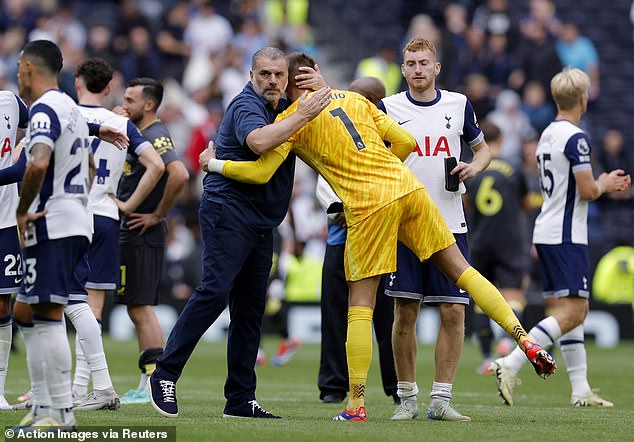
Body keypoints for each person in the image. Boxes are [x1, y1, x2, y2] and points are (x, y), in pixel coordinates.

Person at [201, 51, 556, 422]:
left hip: (368, 205)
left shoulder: (292, 121)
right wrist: (382, 169)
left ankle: (355, 406)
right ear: (315, 73)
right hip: (408, 188)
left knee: (361, 303)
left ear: (289, 84)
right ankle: (524, 339)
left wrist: (213, 164)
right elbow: (404, 142)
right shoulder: (354, 99)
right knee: (462, 271)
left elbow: (259, 174)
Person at [147, 47, 331, 419]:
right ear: (251, 77)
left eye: (279, 75)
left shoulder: (286, 108)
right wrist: (304, 112)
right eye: (265, 74)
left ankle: (241, 398)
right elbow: (259, 142)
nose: (273, 81)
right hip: (227, 211)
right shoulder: (246, 106)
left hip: (262, 221)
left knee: (250, 309)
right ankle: (164, 374)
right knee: (215, 291)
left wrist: (316, 94)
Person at [490, 67, 631, 407]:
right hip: (567, 234)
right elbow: (586, 189)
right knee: (575, 312)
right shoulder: (576, 138)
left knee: (570, 311)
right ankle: (510, 362)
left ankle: (580, 390)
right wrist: (606, 184)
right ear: (583, 99)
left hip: (547, 229)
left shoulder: (546, 135)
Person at [377, 37, 491, 422]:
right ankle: (407, 399)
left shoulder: (458, 104)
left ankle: (441, 400)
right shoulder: (388, 108)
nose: (418, 69)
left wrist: (474, 167)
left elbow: (483, 149)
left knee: (453, 312)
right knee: (405, 311)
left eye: (425, 62)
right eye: (411, 63)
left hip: (449, 223)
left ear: (437, 68)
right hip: (405, 226)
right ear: (403, 68)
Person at [71, 58, 165, 410]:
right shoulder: (120, 121)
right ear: (109, 88)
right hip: (107, 216)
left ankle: (69, 388)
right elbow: (156, 165)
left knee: (58, 301)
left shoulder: (62, 112)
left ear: (77, 82)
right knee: (91, 306)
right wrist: (125, 205)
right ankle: (84, 389)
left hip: (71, 215)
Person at [12, 39, 92, 430]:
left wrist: (23, 208)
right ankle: (45, 405)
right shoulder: (72, 109)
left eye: (17, 68)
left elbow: (38, 163)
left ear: (27, 67)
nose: (17, 75)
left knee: (47, 314)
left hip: (52, 222)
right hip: (74, 218)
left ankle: (60, 412)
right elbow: (90, 164)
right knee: (24, 310)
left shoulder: (43, 111)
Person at [316, 77, 398, 405]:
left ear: (376, 101)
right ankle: (333, 386)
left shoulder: (385, 133)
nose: (351, 100)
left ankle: (397, 386)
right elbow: (323, 173)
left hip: (378, 237)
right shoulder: (338, 126)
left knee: (385, 317)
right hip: (341, 238)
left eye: (359, 96)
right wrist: (338, 206)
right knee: (335, 316)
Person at [112, 77, 190, 404]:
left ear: (148, 105)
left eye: (129, 100)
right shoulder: (138, 132)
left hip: (142, 230)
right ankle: (148, 380)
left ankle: (151, 382)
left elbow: (180, 174)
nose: (123, 104)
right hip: (134, 231)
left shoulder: (155, 135)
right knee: (136, 306)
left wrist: (158, 214)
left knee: (141, 307)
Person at [463, 121, 530, 374]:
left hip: (480, 239)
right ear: (501, 139)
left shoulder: (473, 169)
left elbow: (467, 204)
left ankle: (486, 358)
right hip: (510, 240)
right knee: (514, 295)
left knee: (481, 299)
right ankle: (506, 341)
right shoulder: (514, 168)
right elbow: (525, 203)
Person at [0, 89, 28, 411]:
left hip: (4, 223)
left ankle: (0, 389)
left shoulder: (9, 100)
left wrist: (24, 150)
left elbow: (39, 123)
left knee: (2, 306)